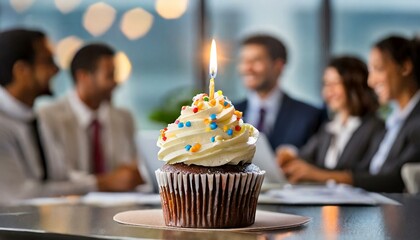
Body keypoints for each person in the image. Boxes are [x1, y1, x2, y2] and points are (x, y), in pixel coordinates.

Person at [280, 36, 420, 193]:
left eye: (378, 69)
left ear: (405, 68)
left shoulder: (382, 125)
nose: (371, 82)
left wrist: (319, 175)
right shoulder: (395, 122)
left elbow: (391, 178)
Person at [0, 28, 94, 205]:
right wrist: (98, 184)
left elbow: (60, 175)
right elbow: (19, 195)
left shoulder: (36, 117)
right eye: (47, 61)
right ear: (21, 71)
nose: (56, 69)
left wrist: (103, 182)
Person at [39, 43, 144, 192]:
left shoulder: (124, 118)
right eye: (109, 76)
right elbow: (56, 177)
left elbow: (133, 166)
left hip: (120, 206)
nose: (115, 83)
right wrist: (105, 182)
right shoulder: (48, 117)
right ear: (83, 77)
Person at [277, 56, 384, 183]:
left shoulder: (375, 127)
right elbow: (306, 156)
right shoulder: (329, 127)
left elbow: (366, 175)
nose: (328, 92)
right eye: (326, 84)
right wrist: (289, 155)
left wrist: (317, 175)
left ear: (354, 85)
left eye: (334, 84)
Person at [236, 34, 325, 151]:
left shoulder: (309, 116)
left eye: (256, 60)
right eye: (243, 61)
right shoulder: (228, 114)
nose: (247, 68)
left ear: (278, 66)